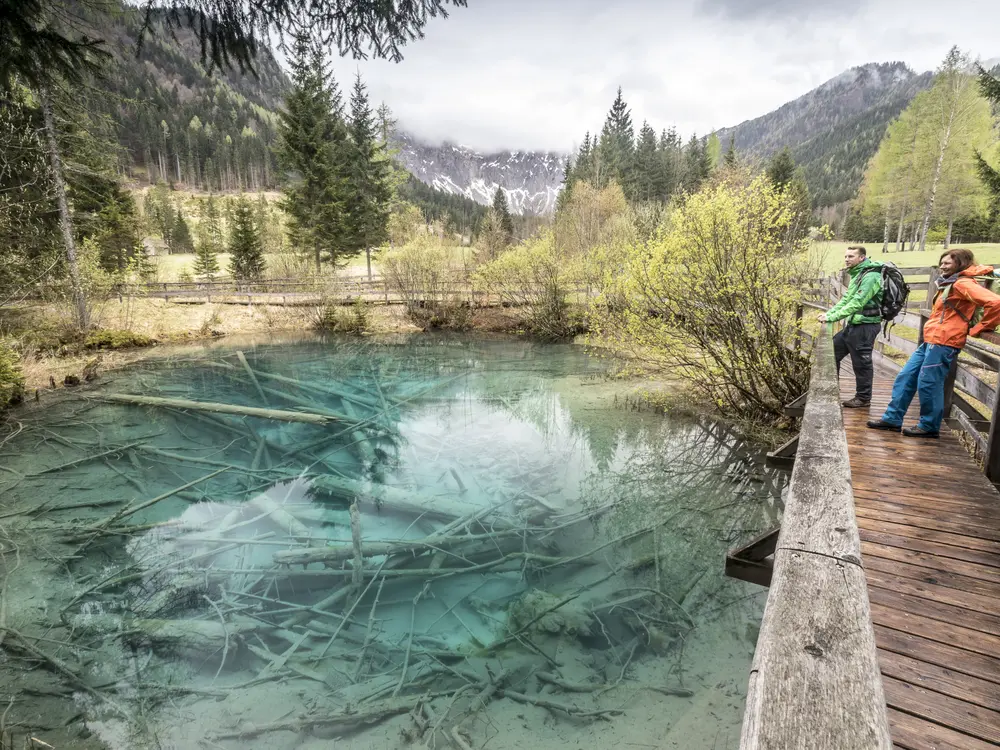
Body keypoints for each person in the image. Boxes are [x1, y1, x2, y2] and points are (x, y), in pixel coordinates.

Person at [867, 249, 1000, 438]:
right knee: (906, 377)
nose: (942, 266)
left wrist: (980, 327)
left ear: (960, 263)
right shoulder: (950, 282)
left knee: (929, 383)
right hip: (932, 339)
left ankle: (929, 426)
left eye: (948, 263)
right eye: (942, 262)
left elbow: (995, 303)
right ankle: (893, 418)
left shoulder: (963, 284)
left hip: (945, 342)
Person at [818, 246, 883, 408]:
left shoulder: (871, 276)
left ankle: (863, 398)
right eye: (846, 256)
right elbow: (846, 299)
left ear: (862, 258)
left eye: (851, 256)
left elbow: (857, 302)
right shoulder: (858, 274)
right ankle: (831, 391)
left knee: (861, 362)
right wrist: (830, 313)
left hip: (866, 326)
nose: (847, 259)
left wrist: (832, 317)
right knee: (831, 352)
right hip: (854, 324)